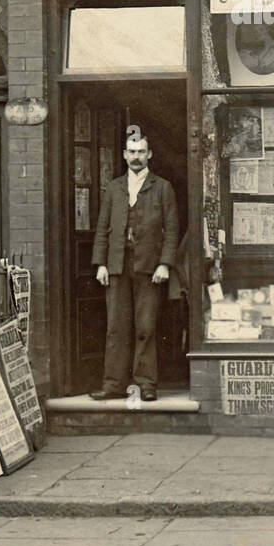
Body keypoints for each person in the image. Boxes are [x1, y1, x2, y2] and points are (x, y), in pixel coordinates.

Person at [89, 131, 178, 403]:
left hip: (149, 267)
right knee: (116, 326)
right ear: (124, 155)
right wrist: (101, 263)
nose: (136, 157)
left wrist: (164, 263)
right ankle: (113, 384)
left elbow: (172, 229)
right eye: (132, 152)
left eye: (141, 152)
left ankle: (146, 383)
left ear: (149, 154)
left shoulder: (162, 187)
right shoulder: (114, 188)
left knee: (146, 326)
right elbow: (103, 228)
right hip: (117, 264)